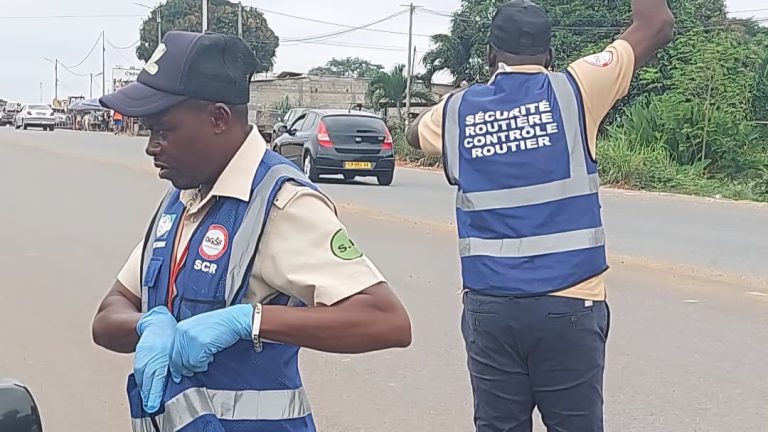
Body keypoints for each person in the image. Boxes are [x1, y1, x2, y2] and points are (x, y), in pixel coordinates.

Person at [92, 31, 412, 432]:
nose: (151, 147)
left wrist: (250, 321)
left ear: (218, 119)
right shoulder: (184, 197)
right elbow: (109, 313)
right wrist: (145, 325)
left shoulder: (281, 205)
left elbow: (387, 320)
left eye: (163, 130)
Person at [406, 1, 674, 431]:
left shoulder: (458, 110)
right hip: (570, 303)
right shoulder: (577, 89)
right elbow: (656, 24)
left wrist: (475, 97)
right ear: (549, 55)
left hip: (491, 308)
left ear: (492, 54)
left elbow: (415, 134)